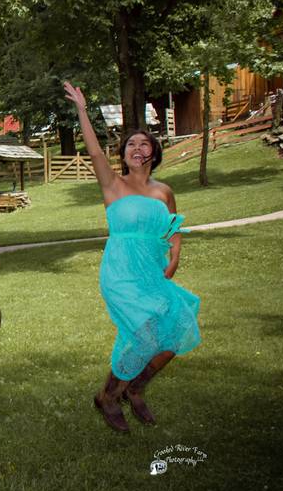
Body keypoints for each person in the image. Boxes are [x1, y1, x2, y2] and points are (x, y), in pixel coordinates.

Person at [64, 81, 201, 432]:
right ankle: (108, 395)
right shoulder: (113, 184)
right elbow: (94, 151)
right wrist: (82, 109)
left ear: (154, 152)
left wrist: (175, 257)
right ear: (123, 153)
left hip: (152, 271)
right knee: (144, 333)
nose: (137, 149)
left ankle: (136, 388)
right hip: (121, 270)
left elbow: (173, 230)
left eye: (144, 144)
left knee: (178, 327)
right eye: (131, 145)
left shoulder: (163, 191)